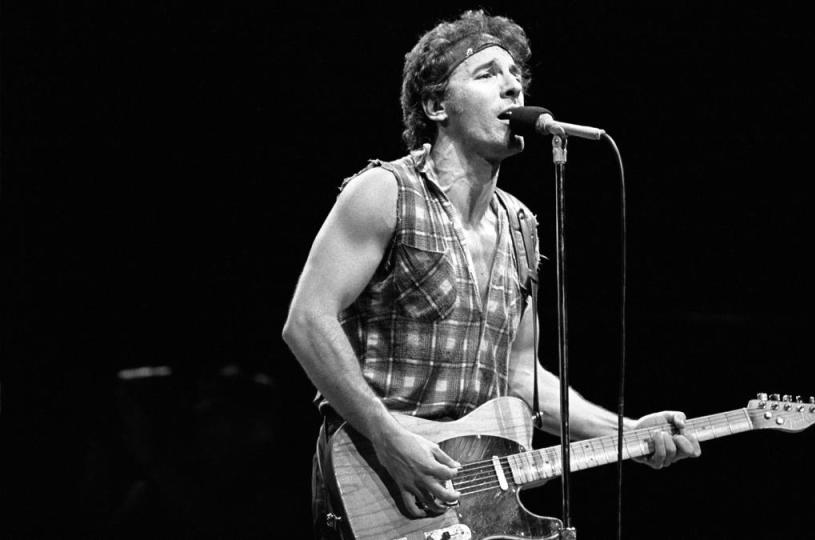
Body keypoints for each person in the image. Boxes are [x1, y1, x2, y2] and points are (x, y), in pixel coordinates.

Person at [281, 10, 701, 538]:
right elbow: (306, 321)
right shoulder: (385, 193)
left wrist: (628, 433)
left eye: (517, 78)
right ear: (437, 106)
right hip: (379, 485)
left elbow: (523, 376)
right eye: (487, 75)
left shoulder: (522, 226)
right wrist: (389, 438)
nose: (512, 88)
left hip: (470, 505)